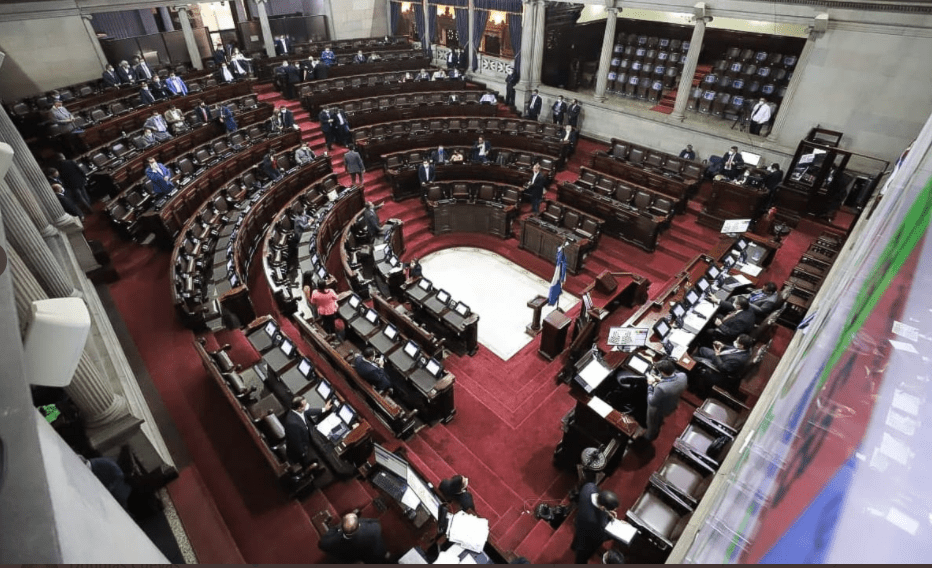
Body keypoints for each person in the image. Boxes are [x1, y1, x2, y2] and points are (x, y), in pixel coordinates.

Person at [571, 483, 618, 564]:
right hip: (587, 539)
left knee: (577, 538)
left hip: (579, 521)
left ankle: (574, 546)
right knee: (583, 555)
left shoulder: (589, 487)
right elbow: (601, 536)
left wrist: (607, 513)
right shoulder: (595, 521)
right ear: (602, 507)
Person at [644, 360, 688, 441]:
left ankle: (649, 436)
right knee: (660, 420)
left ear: (663, 372)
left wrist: (650, 385)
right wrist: (661, 380)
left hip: (660, 409)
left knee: (652, 422)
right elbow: (673, 384)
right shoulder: (683, 375)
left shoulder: (661, 388)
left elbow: (651, 401)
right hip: (673, 403)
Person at [318, 513, 388, 564]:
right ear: (358, 525)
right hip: (375, 555)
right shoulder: (372, 529)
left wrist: (337, 527)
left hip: (352, 559)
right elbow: (376, 522)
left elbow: (322, 544)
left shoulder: (336, 540)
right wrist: (360, 521)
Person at [283, 396, 329, 470]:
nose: (307, 405)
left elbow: (309, 411)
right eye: (305, 404)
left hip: (305, 441)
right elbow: (297, 445)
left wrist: (324, 409)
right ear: (299, 408)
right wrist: (305, 456)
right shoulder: (293, 424)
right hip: (299, 454)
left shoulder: (297, 411)